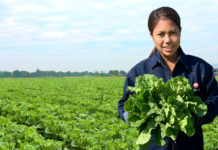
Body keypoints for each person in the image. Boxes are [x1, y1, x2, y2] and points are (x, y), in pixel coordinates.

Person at [118, 6, 218, 150]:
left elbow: (215, 100)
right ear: (151, 35)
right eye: (161, 34)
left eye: (172, 33)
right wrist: (137, 116)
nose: (168, 40)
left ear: (180, 32)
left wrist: (189, 117)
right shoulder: (139, 71)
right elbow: (124, 105)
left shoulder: (200, 68)